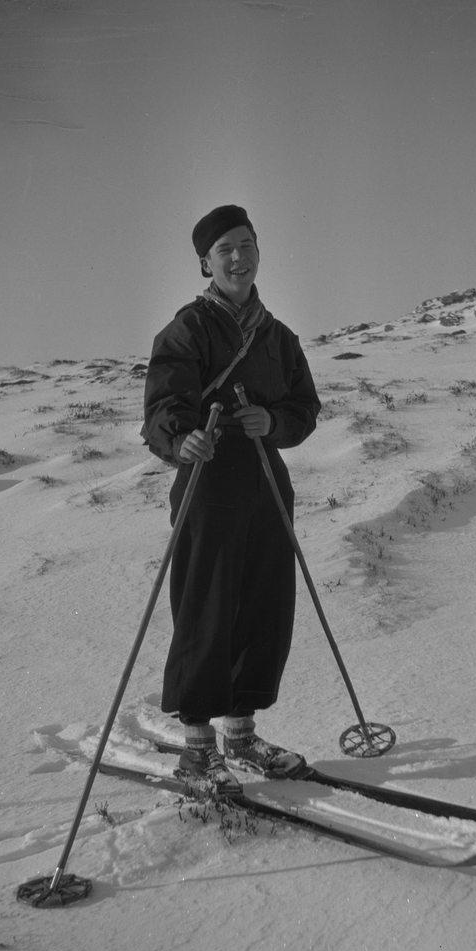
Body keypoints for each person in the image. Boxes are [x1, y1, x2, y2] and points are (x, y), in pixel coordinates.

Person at [141, 204, 321, 793]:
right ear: (205, 263)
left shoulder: (278, 336)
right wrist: (181, 437)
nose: (238, 257)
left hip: (268, 485)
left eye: (246, 245)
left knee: (264, 608)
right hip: (208, 485)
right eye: (225, 250)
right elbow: (164, 405)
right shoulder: (188, 331)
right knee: (206, 609)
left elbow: (303, 409)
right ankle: (198, 749)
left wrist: (273, 421)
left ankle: (241, 735)